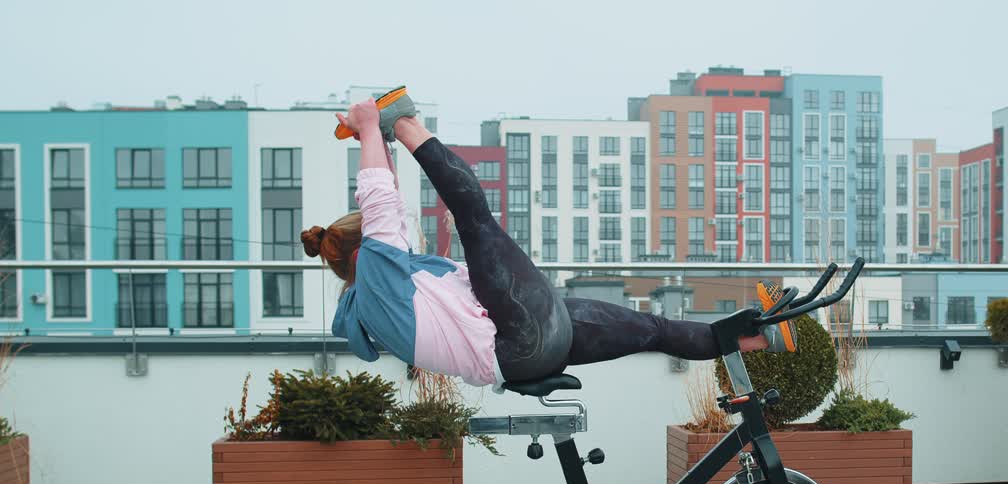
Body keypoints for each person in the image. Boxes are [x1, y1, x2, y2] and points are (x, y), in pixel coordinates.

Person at [302, 88, 798, 391]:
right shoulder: (376, 276)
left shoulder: (384, 290)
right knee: (476, 216)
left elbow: (400, 235)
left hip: (527, 346)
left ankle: (748, 337)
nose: (396, 235)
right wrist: (375, 126)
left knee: (654, 329)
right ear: (364, 251)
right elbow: (381, 202)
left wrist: (380, 143)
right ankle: (408, 121)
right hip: (517, 339)